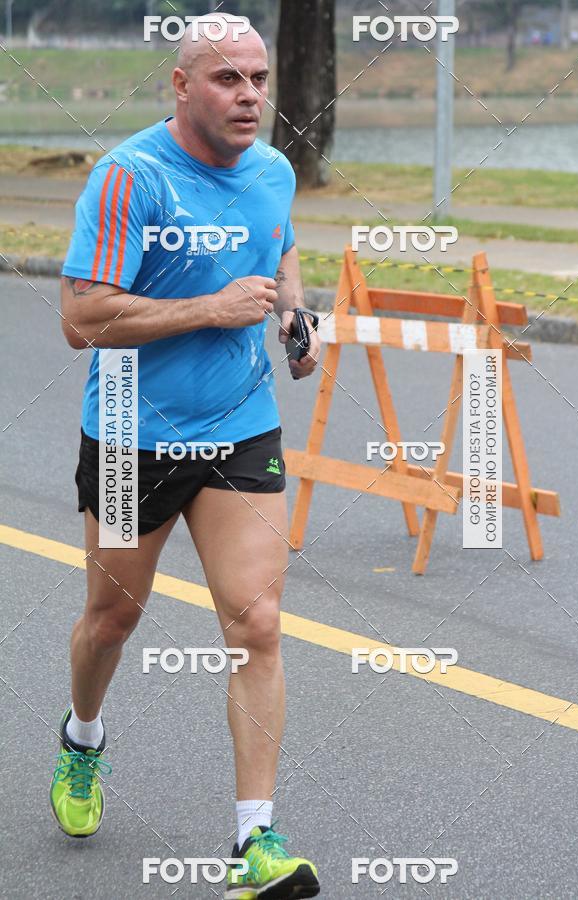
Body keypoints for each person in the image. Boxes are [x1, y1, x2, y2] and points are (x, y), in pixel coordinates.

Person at [51, 13, 321, 899]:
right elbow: (81, 319)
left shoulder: (273, 170)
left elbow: (280, 245)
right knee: (111, 620)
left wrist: (292, 315)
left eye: (258, 78)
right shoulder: (130, 178)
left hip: (241, 427)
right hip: (129, 430)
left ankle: (256, 841)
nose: (249, 96)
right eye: (226, 79)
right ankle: (83, 739)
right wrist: (210, 308)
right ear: (181, 85)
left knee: (257, 624)